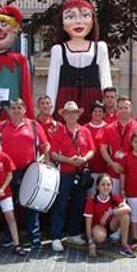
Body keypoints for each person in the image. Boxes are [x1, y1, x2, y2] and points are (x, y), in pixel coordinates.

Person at [45, 0, 112, 124]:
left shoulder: (100, 47)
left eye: (85, 15)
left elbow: (106, 81)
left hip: (94, 101)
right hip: (66, 101)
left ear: (93, 21)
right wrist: (49, 112)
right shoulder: (58, 50)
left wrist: (109, 109)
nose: (78, 21)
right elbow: (52, 85)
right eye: (70, 17)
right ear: (63, 24)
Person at [0, 97, 50, 249]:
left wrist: (46, 164)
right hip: (8, 172)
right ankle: (9, 235)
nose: (16, 111)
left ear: (25, 110)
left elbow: (45, 146)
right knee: (9, 205)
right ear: (9, 110)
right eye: (14, 108)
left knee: (31, 204)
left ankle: (34, 237)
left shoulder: (34, 125)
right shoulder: (1, 127)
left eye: (20, 107)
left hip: (29, 170)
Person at [47, 101, 96, 252]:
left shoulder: (85, 131)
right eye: (68, 113)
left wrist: (84, 159)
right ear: (64, 116)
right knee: (60, 205)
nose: (71, 115)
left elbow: (92, 149)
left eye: (74, 112)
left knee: (78, 203)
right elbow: (53, 153)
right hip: (64, 173)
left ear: (77, 114)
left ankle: (73, 233)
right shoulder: (58, 132)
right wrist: (68, 160)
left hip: (80, 172)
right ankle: (56, 236)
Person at [99, 96, 137, 196]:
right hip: (114, 171)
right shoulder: (109, 128)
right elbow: (103, 149)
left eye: (126, 108)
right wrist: (112, 163)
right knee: (115, 201)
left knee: (132, 205)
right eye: (120, 108)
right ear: (117, 109)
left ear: (131, 108)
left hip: (133, 173)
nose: (123, 110)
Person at [0, 131, 25, 256]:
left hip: (5, 193)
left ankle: (16, 244)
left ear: (0, 143)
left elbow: (10, 174)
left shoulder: (4, 157)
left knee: (10, 217)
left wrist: (2, 188)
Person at [84, 174, 135, 258]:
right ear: (97, 187)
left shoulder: (114, 197)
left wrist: (110, 212)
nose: (106, 187)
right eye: (103, 184)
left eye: (108, 184)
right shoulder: (91, 201)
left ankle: (124, 245)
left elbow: (128, 209)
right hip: (98, 227)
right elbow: (88, 223)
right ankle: (95, 240)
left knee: (124, 215)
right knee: (100, 237)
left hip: (111, 226)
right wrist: (90, 243)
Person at [84, 101, 109, 193]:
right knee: (91, 196)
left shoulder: (109, 128)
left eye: (100, 111)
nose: (97, 113)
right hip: (90, 170)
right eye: (95, 111)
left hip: (105, 170)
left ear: (104, 114)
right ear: (91, 113)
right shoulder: (84, 128)